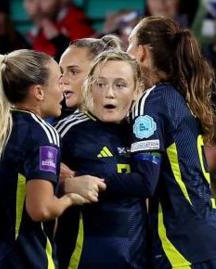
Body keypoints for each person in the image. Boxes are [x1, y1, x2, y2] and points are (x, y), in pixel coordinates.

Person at [88, 16, 216, 268]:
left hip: (179, 241)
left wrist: (90, 180)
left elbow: (146, 180)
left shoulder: (151, 101)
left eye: (130, 44)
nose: (126, 52)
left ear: (142, 52)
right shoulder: (181, 96)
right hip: (204, 231)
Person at [0, 49, 104, 269]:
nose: (64, 88)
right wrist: (71, 197)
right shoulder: (42, 133)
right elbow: (42, 209)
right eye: (59, 81)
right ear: (39, 92)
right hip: (23, 260)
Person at [56, 50, 148, 269]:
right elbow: (30, 183)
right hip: (83, 261)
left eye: (120, 85)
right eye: (100, 84)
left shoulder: (145, 132)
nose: (109, 94)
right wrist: (66, 184)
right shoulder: (68, 131)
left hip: (139, 261)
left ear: (137, 90)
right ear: (90, 87)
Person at [57, 35, 122, 117]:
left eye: (73, 72)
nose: (62, 81)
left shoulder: (133, 120)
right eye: (61, 73)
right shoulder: (67, 128)